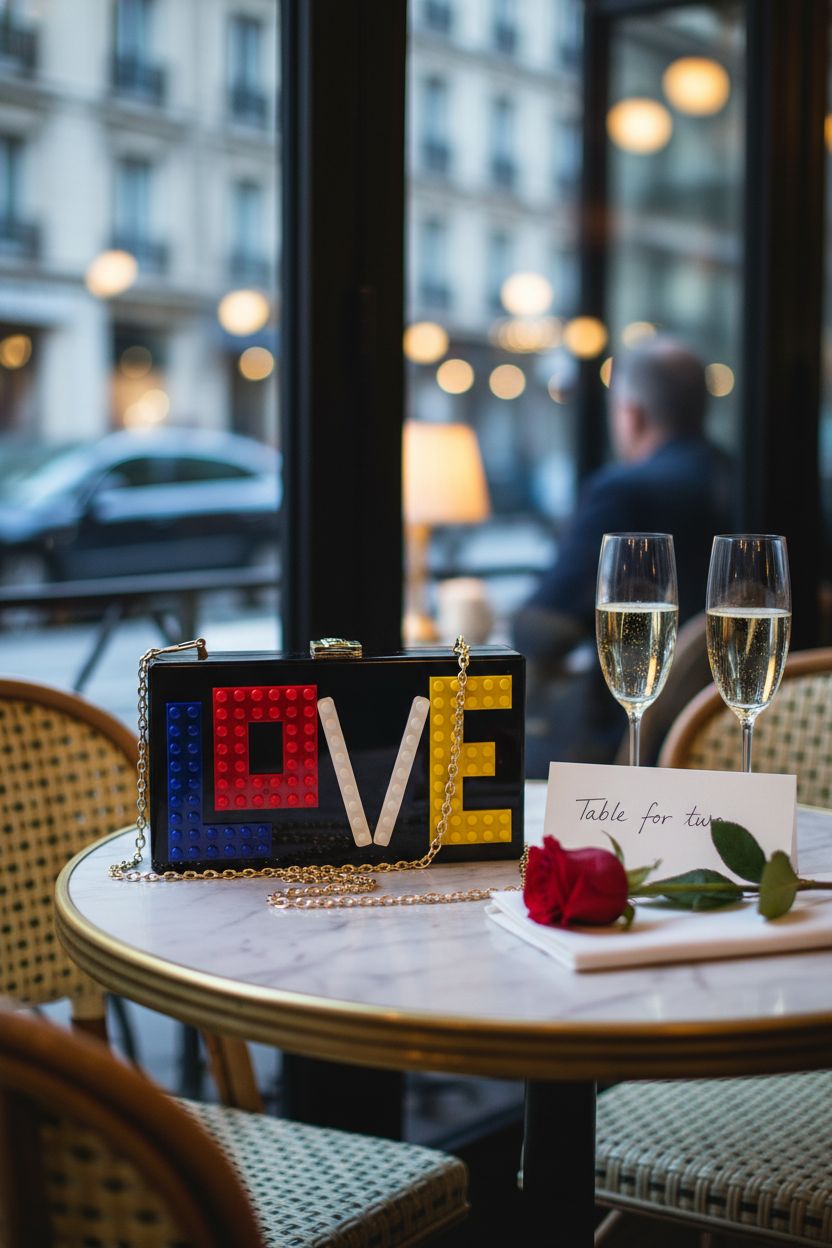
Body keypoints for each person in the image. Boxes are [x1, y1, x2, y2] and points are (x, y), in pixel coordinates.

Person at [514, 337, 733, 773]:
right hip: (726, 731)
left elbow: (544, 628)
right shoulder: (739, 476)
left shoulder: (624, 490)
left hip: (630, 747)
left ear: (631, 415)